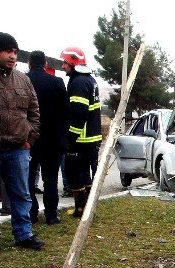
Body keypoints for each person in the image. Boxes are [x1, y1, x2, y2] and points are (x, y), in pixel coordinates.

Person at [0, 32, 44, 252]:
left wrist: (30, 137)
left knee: (21, 194)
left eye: (15, 52)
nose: (12, 56)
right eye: (7, 51)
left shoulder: (24, 79)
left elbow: (34, 110)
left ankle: (23, 234)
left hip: (18, 148)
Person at [26, 50, 68, 225]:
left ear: (29, 63)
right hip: (53, 139)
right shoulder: (57, 82)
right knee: (50, 178)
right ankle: (51, 215)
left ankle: (32, 213)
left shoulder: (24, 80)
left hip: (29, 139)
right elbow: (66, 110)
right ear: (45, 64)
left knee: (28, 178)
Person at [60, 46, 102, 217]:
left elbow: (78, 113)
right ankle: (87, 208)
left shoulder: (78, 83)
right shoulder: (90, 80)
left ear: (73, 62)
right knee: (85, 174)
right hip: (91, 137)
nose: (63, 66)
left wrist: (70, 137)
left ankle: (80, 209)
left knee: (74, 174)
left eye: (64, 62)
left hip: (80, 139)